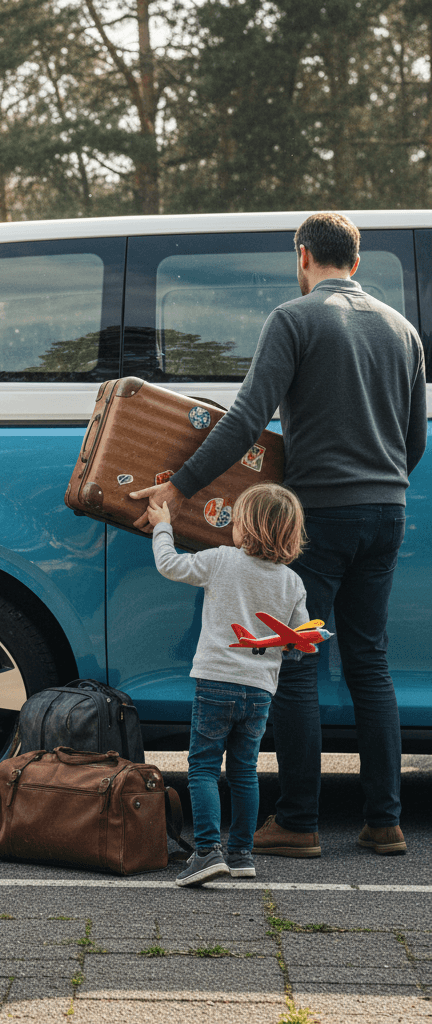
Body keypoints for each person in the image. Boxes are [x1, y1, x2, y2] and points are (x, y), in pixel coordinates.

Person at [131, 212, 427, 858]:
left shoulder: (294, 320)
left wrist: (178, 487)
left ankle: (297, 822)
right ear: (357, 258)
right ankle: (385, 821)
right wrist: (380, 487)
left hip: (320, 514)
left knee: (293, 659)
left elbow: (244, 420)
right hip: (387, 511)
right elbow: (414, 441)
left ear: (302, 257)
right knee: (369, 662)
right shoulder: (403, 331)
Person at [147, 483, 309, 886]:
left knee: (202, 768)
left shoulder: (221, 560)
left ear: (244, 529)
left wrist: (162, 526)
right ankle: (240, 854)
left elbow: (169, 565)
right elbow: (299, 644)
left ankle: (206, 853)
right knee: (245, 771)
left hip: (216, 682)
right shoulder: (292, 582)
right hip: (259, 690)